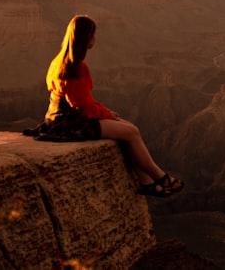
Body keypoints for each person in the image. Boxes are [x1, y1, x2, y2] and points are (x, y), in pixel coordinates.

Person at [25, 14, 184, 198]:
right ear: (86, 37)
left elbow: (84, 101)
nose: (96, 38)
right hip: (69, 124)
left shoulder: (59, 62)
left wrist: (107, 113)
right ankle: (160, 176)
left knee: (127, 129)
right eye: (93, 34)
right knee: (131, 132)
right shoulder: (75, 68)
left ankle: (146, 181)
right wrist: (106, 114)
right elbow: (82, 107)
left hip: (58, 119)